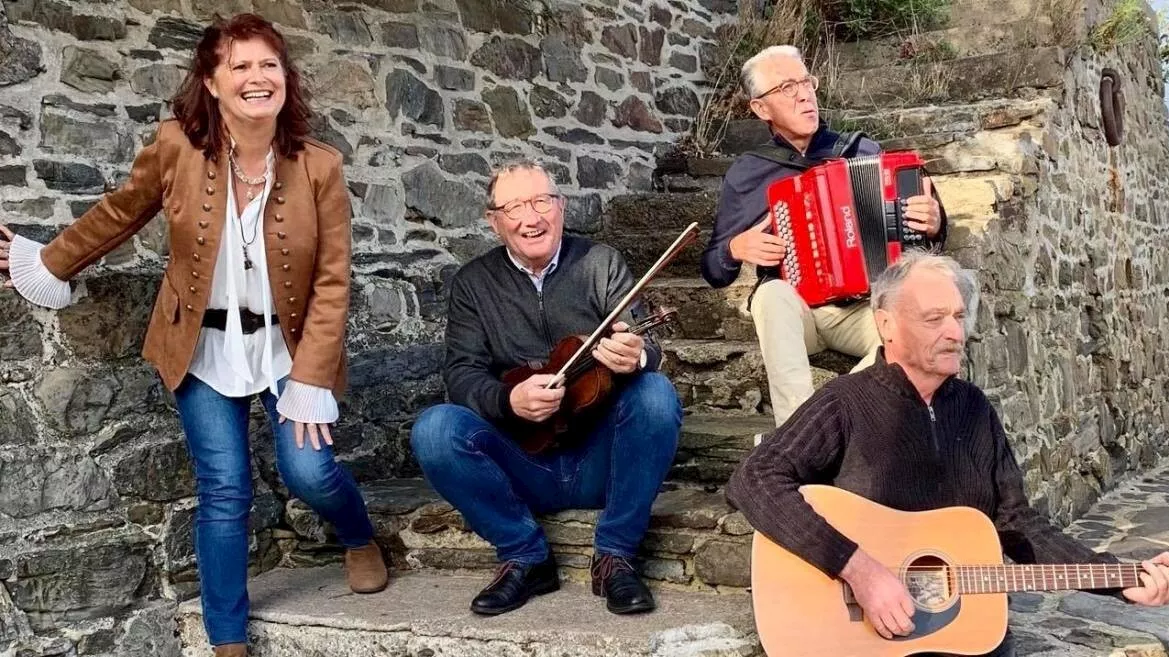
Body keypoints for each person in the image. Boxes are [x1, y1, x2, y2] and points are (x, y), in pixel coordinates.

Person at [0, 14, 385, 657]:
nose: (257, 78)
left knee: (310, 471)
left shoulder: (321, 166)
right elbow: (122, 211)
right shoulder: (177, 145)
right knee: (225, 487)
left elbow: (333, 280)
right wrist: (51, 261)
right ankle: (227, 640)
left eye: (269, 65)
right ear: (212, 81)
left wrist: (314, 376)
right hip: (200, 346)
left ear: (285, 78)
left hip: (288, 348)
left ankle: (358, 536)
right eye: (240, 66)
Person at [726, 253, 1169, 656]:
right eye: (934, 319)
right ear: (886, 324)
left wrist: (1117, 578)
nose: (954, 332)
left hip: (963, 638)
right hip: (862, 638)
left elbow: (1018, 525)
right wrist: (859, 568)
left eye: (958, 316)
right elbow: (755, 479)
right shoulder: (845, 402)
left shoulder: (974, 409)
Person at [410, 160, 682, 617]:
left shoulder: (601, 262)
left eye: (541, 202)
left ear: (561, 207)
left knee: (655, 394)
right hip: (522, 463)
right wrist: (507, 399)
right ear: (494, 221)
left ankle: (615, 556)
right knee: (435, 429)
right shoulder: (473, 284)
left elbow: (648, 344)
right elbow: (461, 374)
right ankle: (525, 555)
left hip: (601, 461)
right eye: (515, 207)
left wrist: (636, 356)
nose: (531, 218)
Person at [702, 45, 948, 428]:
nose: (803, 94)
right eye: (786, 87)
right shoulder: (748, 173)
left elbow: (921, 232)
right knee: (769, 295)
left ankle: (822, 425)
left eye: (806, 82)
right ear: (760, 109)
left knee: (913, 328)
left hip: (867, 306)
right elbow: (714, 268)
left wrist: (933, 220)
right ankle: (798, 433)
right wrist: (735, 248)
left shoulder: (860, 151)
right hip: (799, 311)